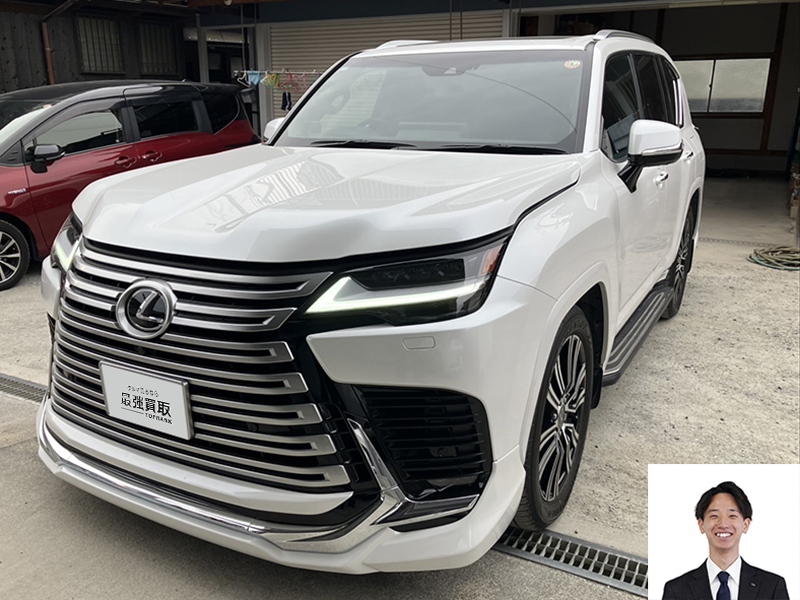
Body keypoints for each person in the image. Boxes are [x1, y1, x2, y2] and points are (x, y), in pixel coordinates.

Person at [662, 481, 790, 600]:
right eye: (714, 516)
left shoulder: (772, 587)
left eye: (732, 516)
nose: (723, 524)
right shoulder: (676, 590)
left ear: (745, 525)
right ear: (701, 525)